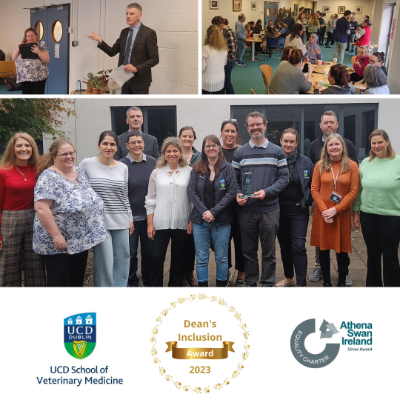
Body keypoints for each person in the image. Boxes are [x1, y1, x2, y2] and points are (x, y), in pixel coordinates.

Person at [33, 139, 107, 287]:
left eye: (71, 153)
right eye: (64, 154)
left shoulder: (79, 172)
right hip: (59, 244)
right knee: (60, 281)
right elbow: (41, 208)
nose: (69, 156)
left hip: (80, 241)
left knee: (76, 280)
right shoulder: (48, 178)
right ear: (54, 156)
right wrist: (56, 236)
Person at [232, 111, 289, 287]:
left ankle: (267, 284)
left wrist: (267, 192)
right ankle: (251, 283)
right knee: (248, 252)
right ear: (247, 128)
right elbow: (234, 181)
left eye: (259, 124)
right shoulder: (239, 153)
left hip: (269, 210)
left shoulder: (277, 151)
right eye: (252, 125)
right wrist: (238, 194)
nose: (255, 127)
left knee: (269, 253)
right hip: (246, 211)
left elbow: (284, 178)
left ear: (265, 125)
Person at [308, 111, 358, 285]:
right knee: (323, 249)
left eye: (337, 144)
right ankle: (327, 282)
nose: (334, 147)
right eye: (331, 145)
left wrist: (335, 209)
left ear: (343, 146)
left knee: (342, 249)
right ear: (326, 148)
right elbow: (314, 189)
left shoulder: (351, 166)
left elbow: (353, 191)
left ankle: (342, 281)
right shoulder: (319, 165)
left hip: (341, 213)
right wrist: (325, 211)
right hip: (322, 214)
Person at [80, 131, 133, 287]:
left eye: (112, 144)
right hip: (99, 222)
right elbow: (81, 191)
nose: (108, 147)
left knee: (123, 259)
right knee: (105, 260)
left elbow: (124, 195)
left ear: (117, 148)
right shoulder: (87, 164)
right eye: (105, 143)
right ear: (99, 145)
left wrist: (130, 219)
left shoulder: (123, 167)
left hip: (121, 220)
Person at [353, 130, 400, 287]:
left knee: (390, 256)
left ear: (387, 142)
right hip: (368, 216)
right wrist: (356, 212)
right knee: (372, 256)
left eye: (380, 142)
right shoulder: (366, 163)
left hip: (392, 216)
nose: (377, 146)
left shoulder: (398, 162)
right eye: (374, 143)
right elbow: (359, 190)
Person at [189, 135, 236, 287]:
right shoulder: (197, 168)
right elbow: (192, 192)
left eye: (214, 145)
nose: (211, 148)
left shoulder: (227, 168)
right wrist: (205, 212)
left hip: (221, 221)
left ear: (219, 148)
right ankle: (203, 292)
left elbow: (231, 192)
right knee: (202, 258)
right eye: (207, 146)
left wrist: (214, 212)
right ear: (203, 149)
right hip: (200, 221)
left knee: (222, 257)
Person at [145, 137, 192, 287]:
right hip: (160, 222)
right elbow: (150, 199)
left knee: (178, 258)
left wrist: (191, 220)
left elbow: (193, 200)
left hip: (182, 222)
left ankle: (174, 287)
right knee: (157, 257)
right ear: (164, 153)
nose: (172, 154)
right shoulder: (156, 173)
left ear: (180, 152)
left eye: (175, 151)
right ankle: (155, 287)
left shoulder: (189, 172)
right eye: (168, 151)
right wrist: (150, 224)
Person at [0, 133, 45, 287]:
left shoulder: (38, 170)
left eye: (27, 145)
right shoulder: (3, 172)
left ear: (32, 148)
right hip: (9, 221)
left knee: (36, 265)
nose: (23, 149)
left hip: (34, 219)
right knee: (9, 265)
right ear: (12, 149)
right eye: (19, 145)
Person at [86, 3, 159, 94]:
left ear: (140, 15)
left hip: (140, 82)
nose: (128, 16)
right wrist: (100, 41)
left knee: (137, 107)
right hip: (123, 79)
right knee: (124, 107)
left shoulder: (148, 33)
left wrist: (137, 68)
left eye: (131, 14)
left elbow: (155, 59)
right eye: (127, 13)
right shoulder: (124, 32)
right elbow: (112, 52)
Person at [276, 129, 314, 287]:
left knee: (298, 246)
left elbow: (315, 185)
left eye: (292, 141)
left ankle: (301, 284)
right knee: (284, 245)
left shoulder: (306, 162)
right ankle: (289, 278)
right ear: (281, 141)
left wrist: (306, 201)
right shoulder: (275, 159)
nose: (288, 144)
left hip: (299, 211)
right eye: (286, 141)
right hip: (278, 210)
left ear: (297, 143)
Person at [120, 131, 157, 287]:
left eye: (139, 142)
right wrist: (127, 218)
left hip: (150, 217)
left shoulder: (153, 162)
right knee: (131, 253)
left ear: (144, 144)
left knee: (149, 253)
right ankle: (132, 283)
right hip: (131, 219)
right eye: (133, 142)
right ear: (127, 146)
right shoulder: (121, 165)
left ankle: (148, 283)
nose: (137, 145)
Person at [220, 120, 245, 287]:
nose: (230, 134)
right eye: (226, 131)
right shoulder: (216, 152)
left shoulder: (243, 152)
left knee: (242, 241)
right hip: (222, 206)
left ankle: (242, 275)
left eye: (233, 131)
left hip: (242, 206)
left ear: (237, 134)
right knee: (223, 242)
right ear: (221, 133)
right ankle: (226, 272)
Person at [178, 126, 200, 287]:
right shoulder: (174, 155)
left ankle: (189, 273)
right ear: (179, 138)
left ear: (194, 138)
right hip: (178, 204)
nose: (187, 138)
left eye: (190, 136)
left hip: (195, 203)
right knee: (179, 243)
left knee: (192, 243)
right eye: (184, 136)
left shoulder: (200, 156)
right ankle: (180, 275)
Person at [11, 28, 50, 94]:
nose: (30, 37)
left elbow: (47, 60)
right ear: (26, 37)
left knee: (37, 98)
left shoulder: (40, 46)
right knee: (26, 97)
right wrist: (18, 48)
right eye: (28, 36)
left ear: (36, 36)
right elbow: (13, 58)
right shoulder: (23, 45)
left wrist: (39, 52)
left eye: (32, 35)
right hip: (24, 78)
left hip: (38, 78)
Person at [212, 17, 236, 94]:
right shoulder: (224, 32)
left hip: (229, 61)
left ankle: (232, 100)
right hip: (226, 61)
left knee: (227, 83)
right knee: (225, 82)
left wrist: (221, 55)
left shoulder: (228, 32)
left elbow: (232, 50)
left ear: (220, 25)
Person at [202, 25, 228, 94]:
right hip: (220, 81)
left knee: (204, 103)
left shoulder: (205, 49)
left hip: (206, 82)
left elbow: (201, 68)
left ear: (208, 35)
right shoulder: (225, 49)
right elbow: (224, 63)